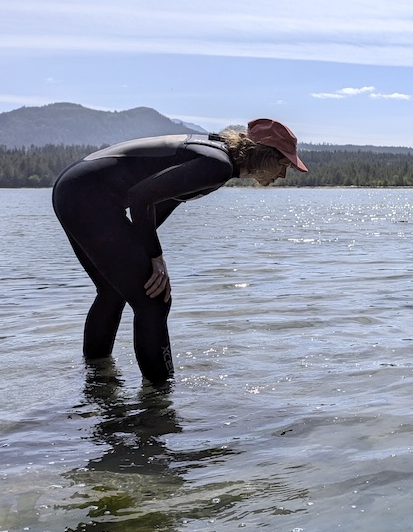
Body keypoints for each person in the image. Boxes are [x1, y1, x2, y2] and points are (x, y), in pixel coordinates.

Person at [52, 118, 307, 383]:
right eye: (284, 164)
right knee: (154, 300)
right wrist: (154, 257)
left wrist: (140, 251)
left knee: (112, 291)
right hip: (86, 197)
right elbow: (141, 199)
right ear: (266, 155)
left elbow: (161, 204)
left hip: (74, 189)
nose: (283, 175)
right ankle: (159, 401)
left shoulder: (216, 159)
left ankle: (96, 380)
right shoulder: (217, 165)